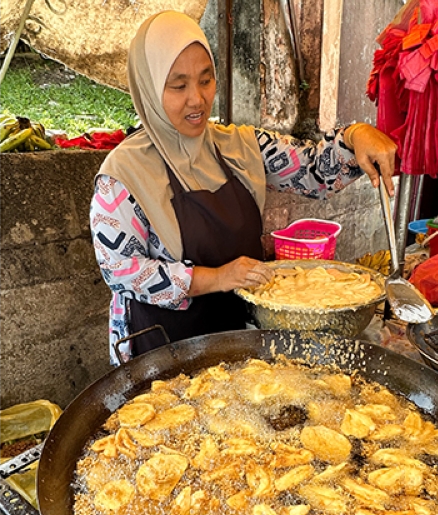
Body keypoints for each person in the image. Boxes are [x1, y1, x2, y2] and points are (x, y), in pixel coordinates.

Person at [92, 11, 397, 365]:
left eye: (206, 80)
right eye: (178, 85)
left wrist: (355, 135)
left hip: (239, 341)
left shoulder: (242, 147)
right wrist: (219, 277)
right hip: (162, 349)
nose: (197, 99)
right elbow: (123, 272)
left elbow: (316, 171)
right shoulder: (122, 176)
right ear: (148, 85)